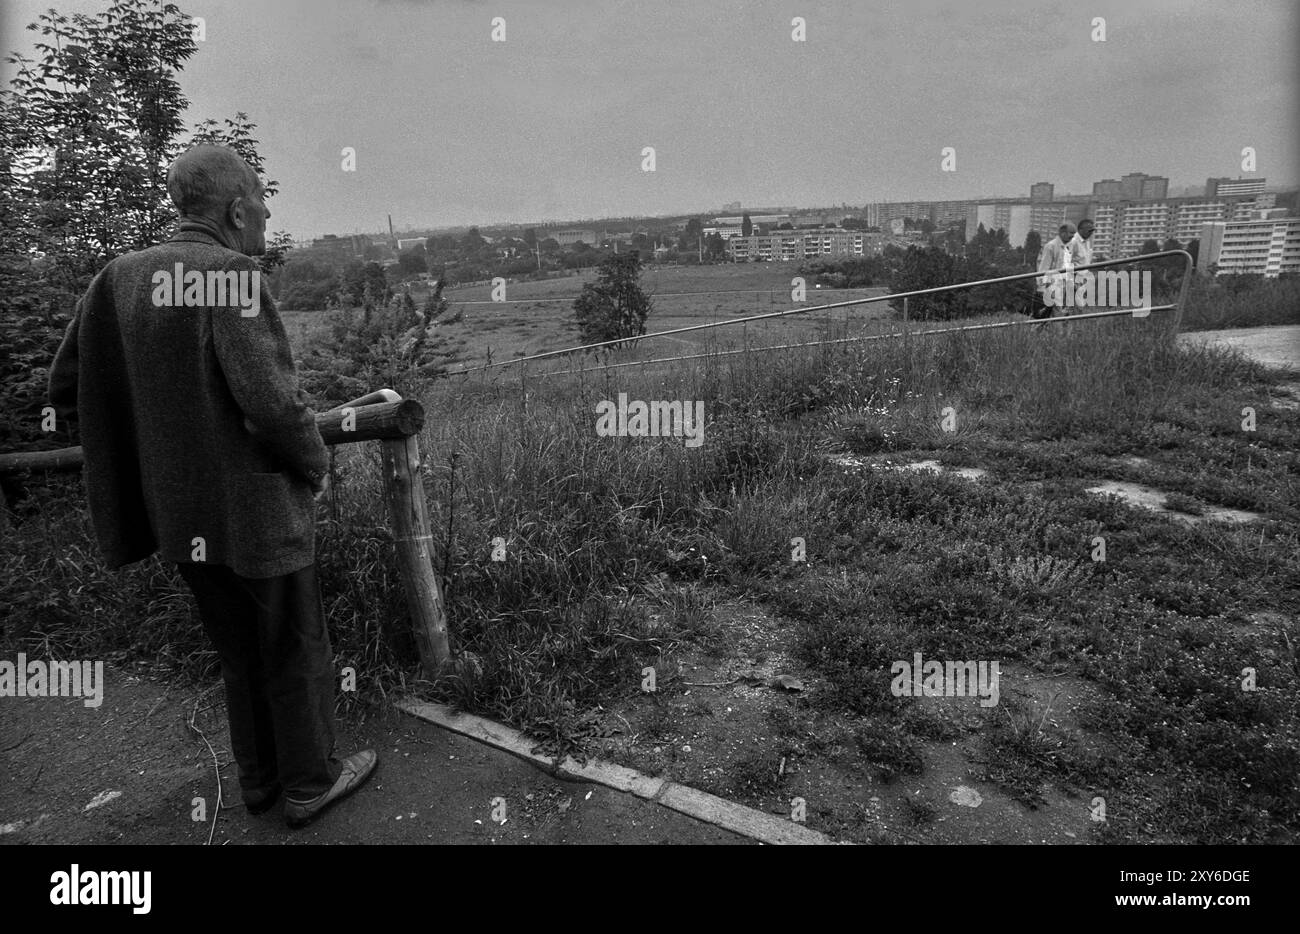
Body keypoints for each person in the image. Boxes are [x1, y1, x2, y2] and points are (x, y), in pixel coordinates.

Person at [47, 144, 377, 828]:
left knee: (237, 651)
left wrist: (155, 437)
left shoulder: (118, 278)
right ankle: (312, 783)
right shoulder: (228, 275)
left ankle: (259, 782)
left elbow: (66, 384)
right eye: (261, 200)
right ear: (235, 207)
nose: (264, 212)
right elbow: (273, 404)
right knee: (293, 645)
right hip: (254, 510)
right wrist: (316, 463)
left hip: (178, 515)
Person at [1034, 222, 1076, 322]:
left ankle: (1040, 334)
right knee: (1052, 315)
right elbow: (1043, 268)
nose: (1072, 236)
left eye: (1073, 234)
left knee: (1050, 316)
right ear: (1062, 233)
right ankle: (1058, 335)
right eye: (1070, 233)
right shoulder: (1051, 246)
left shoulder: (1068, 247)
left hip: (1063, 287)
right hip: (1051, 286)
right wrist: (1042, 288)